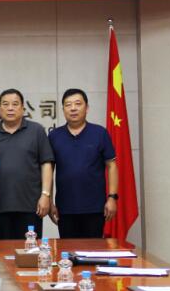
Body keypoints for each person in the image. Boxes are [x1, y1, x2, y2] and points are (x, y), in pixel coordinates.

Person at [47, 88, 118, 238]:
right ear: (63, 109)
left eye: (78, 104)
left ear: (87, 108)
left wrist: (112, 198)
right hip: (65, 208)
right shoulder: (54, 136)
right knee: (68, 250)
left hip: (94, 207)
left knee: (93, 249)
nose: (73, 108)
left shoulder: (100, 133)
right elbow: (49, 171)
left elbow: (112, 166)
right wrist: (50, 201)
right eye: (68, 105)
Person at [0, 88, 54, 240]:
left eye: (15, 104)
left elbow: (46, 164)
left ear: (23, 108)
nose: (10, 108)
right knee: (4, 252)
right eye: (5, 104)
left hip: (31, 206)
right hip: (1, 207)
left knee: (30, 250)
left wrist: (45, 195)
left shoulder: (36, 131)